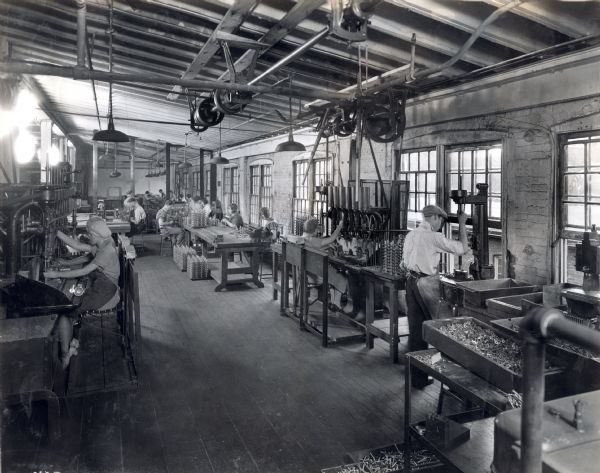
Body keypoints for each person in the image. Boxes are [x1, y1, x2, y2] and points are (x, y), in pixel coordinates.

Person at [402, 204, 469, 389]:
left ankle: (417, 378)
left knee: (416, 331)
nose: (441, 225)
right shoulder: (434, 237)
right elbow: (462, 249)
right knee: (441, 329)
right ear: (434, 218)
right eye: (441, 221)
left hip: (410, 282)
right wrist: (462, 224)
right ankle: (450, 377)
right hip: (424, 284)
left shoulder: (411, 234)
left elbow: (403, 262)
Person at [43, 218, 120, 368]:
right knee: (73, 301)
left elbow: (85, 269)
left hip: (105, 292)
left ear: (94, 234)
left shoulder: (107, 250)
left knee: (66, 311)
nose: (88, 237)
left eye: (89, 234)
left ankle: (66, 354)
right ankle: (72, 339)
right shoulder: (105, 241)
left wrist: (56, 275)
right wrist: (55, 232)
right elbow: (79, 248)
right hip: (102, 286)